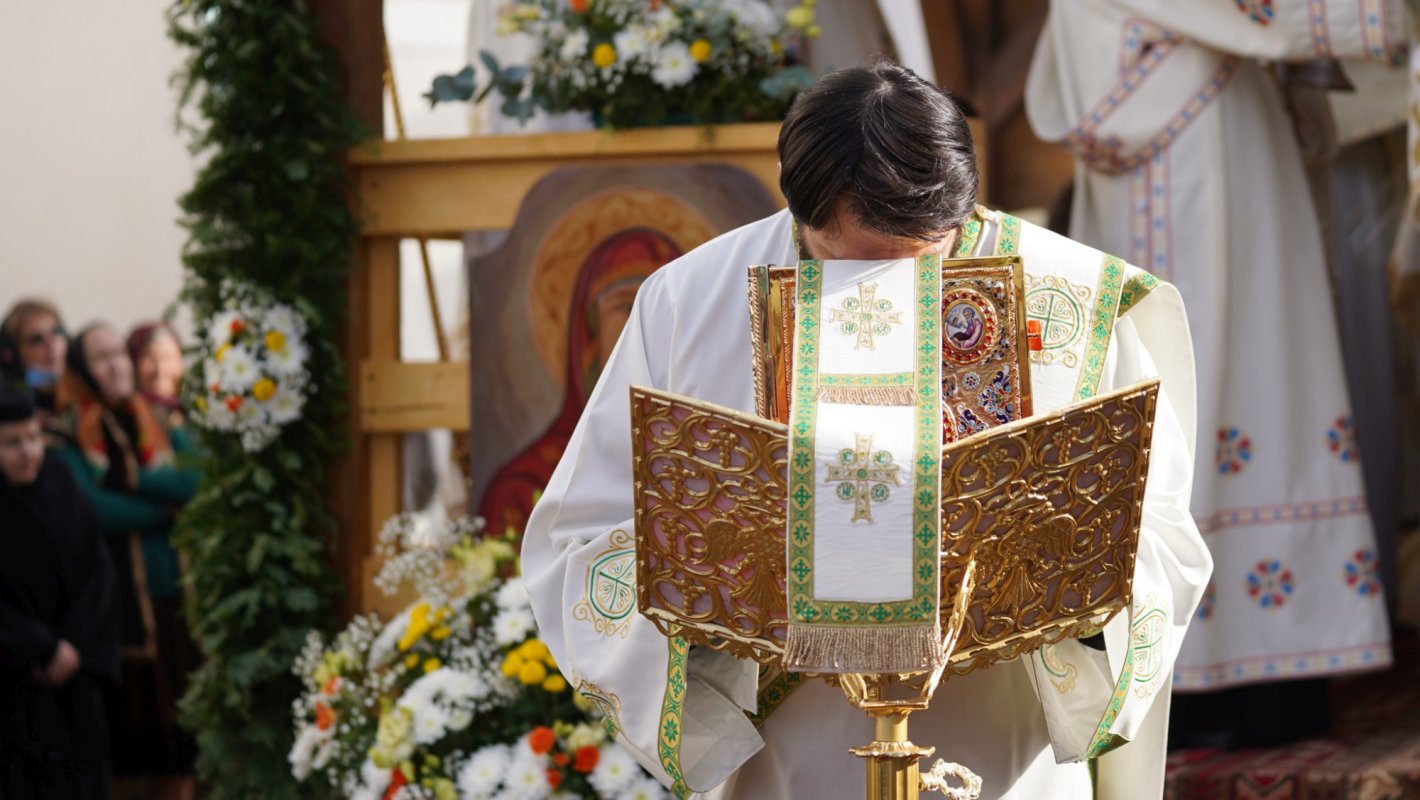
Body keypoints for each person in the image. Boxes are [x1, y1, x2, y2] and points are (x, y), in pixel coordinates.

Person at [522, 62, 1212, 800]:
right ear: (800, 213)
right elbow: (580, 540)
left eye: (921, 263)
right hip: (795, 750)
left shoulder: (1074, 299)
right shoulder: (689, 304)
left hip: (999, 738)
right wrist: (726, 579)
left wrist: (1051, 569)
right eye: (846, 263)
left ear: (960, 212)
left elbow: (1162, 537)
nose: (881, 300)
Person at [1025, 0, 1407, 747]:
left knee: (1253, 370)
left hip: (1216, 130)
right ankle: (1204, 679)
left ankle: (1251, 675)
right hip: (1193, 151)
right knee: (1193, 379)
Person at [51, 322, 201, 800]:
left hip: (174, 602)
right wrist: (165, 510)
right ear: (80, 369)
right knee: (126, 753)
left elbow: (197, 484)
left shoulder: (157, 421)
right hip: (116, 612)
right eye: (100, 357)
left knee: (179, 745)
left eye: (118, 353)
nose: (115, 364)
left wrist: (131, 480)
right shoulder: (67, 429)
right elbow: (92, 509)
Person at [0, 386, 119, 799]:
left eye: (32, 437)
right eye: (12, 442)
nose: (28, 452)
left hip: (74, 679)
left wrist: (73, 647)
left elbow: (97, 570)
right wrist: (40, 648)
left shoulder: (60, 480)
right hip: (15, 688)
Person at [1, 298, 70, 424]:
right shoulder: (7, 410)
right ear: (14, 354)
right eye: (36, 339)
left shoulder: (86, 395)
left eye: (56, 332)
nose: (51, 343)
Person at [126, 322, 185, 429]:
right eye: (150, 357)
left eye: (168, 357)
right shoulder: (125, 417)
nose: (160, 369)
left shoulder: (199, 413)